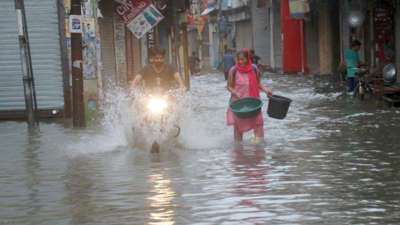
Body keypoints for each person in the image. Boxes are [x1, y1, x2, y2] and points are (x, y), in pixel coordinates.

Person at [226, 48, 273, 143]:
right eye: (238, 59)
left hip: (253, 103)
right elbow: (229, 86)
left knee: (258, 124)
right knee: (238, 129)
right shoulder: (233, 70)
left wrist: (266, 90)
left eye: (243, 59)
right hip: (239, 103)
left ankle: (259, 150)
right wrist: (236, 93)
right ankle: (238, 151)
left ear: (248, 58)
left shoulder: (254, 68)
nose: (240, 61)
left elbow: (258, 83)